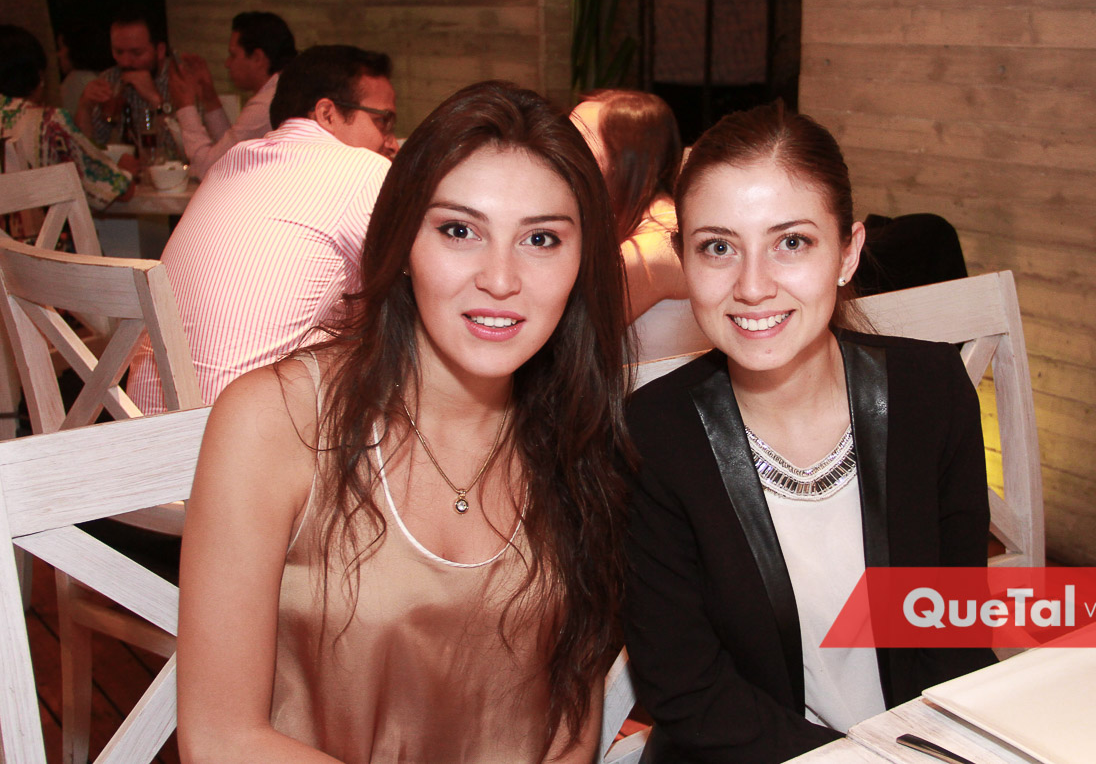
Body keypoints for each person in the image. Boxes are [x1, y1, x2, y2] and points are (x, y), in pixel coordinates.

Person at [176, 80, 631, 764]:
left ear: (581, 261)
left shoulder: (580, 430)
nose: (500, 279)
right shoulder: (273, 421)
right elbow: (218, 738)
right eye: (459, 231)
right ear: (403, 240)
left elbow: (571, 726)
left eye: (541, 239)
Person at [623, 102, 995, 763]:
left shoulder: (932, 392)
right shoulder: (652, 437)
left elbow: (954, 628)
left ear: (847, 253)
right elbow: (687, 689)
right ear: (683, 259)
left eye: (790, 242)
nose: (753, 286)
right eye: (718, 247)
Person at [126, 45, 398, 414]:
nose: (390, 141)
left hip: (142, 423)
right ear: (327, 113)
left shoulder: (230, 161)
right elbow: (416, 290)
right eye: (383, 121)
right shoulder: (363, 169)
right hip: (234, 433)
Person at [571, 90, 708, 361]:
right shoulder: (661, 222)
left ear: (625, 160)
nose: (561, 154)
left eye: (579, 143)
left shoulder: (652, 248)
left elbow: (561, 344)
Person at [0, 24, 133, 210]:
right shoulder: (48, 123)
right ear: (39, 77)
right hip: (38, 229)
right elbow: (114, 190)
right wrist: (127, 170)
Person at [168, 11, 297, 178]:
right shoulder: (279, 90)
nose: (227, 64)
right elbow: (232, 152)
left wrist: (185, 106)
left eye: (233, 55)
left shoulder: (266, 104)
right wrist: (209, 98)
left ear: (257, 58)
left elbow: (209, 170)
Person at [74, 6, 182, 161]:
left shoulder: (182, 80)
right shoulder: (110, 79)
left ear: (159, 51)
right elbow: (87, 153)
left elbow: (187, 153)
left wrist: (156, 101)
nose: (125, 62)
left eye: (136, 53)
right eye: (118, 52)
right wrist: (85, 106)